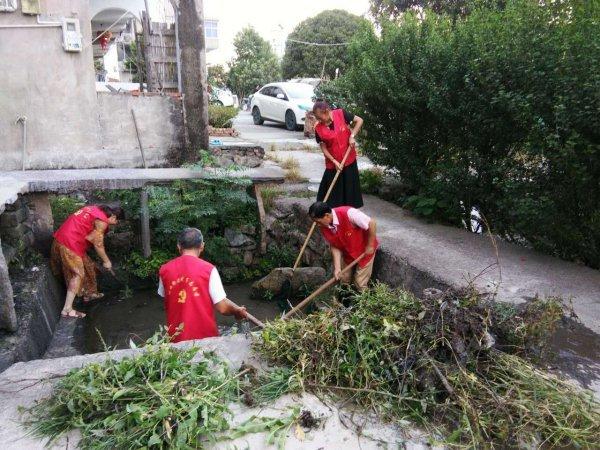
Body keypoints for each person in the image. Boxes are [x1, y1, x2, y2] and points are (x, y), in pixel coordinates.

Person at [158, 227, 248, 343]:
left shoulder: (164, 270)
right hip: (205, 340)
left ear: (179, 246)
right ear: (202, 246)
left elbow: (168, 298)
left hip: (175, 340)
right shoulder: (209, 269)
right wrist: (237, 311)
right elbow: (223, 307)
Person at [51, 204, 122, 319]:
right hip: (70, 244)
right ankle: (67, 309)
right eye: (117, 221)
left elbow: (89, 236)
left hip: (61, 239)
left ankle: (90, 293)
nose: (115, 224)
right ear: (113, 217)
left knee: (88, 264)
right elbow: (98, 244)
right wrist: (107, 261)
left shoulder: (93, 209)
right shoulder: (102, 221)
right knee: (78, 274)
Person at [308, 201, 378, 291]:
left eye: (318, 221)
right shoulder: (324, 225)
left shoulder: (349, 213)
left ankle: (366, 302)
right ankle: (345, 302)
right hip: (347, 252)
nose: (317, 224)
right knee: (343, 278)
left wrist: (370, 245)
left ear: (327, 215)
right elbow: (334, 245)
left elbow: (372, 223)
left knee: (359, 283)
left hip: (364, 250)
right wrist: (337, 268)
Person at [313, 101, 364, 208]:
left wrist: (352, 136)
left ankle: (349, 216)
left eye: (320, 117)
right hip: (333, 165)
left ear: (326, 112)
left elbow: (359, 120)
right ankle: (330, 217)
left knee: (350, 193)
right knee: (332, 196)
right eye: (317, 118)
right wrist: (334, 161)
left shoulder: (341, 114)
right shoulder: (318, 128)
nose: (319, 120)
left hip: (348, 160)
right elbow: (323, 148)